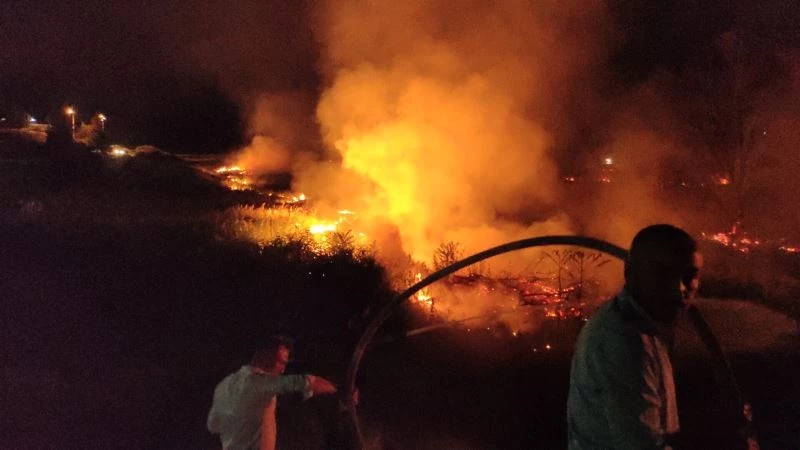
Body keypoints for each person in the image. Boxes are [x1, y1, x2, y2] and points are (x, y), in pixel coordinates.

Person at [567, 224, 702, 450]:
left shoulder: (643, 326)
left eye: (689, 276)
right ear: (630, 273)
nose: (680, 288)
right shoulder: (623, 341)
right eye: (664, 273)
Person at [207, 336, 339, 450]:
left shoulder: (224, 386)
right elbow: (306, 382)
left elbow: (213, 424)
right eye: (281, 362)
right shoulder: (259, 383)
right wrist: (340, 391)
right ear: (266, 356)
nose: (282, 370)